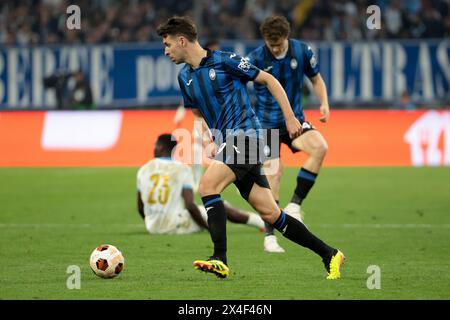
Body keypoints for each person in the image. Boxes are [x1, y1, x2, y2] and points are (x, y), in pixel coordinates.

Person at [156, 16, 344, 280]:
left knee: (207, 187)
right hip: (229, 144)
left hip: (249, 137)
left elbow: (269, 80)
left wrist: (290, 117)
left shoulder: (225, 61)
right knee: (271, 214)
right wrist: (208, 138)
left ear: (182, 40)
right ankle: (330, 254)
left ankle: (220, 258)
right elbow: (198, 115)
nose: (166, 51)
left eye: (168, 44)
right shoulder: (185, 77)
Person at [246, 16, 331, 253]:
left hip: (295, 122)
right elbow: (239, 87)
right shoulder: (255, 59)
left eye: (279, 44)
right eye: (270, 45)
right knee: (275, 172)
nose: (274, 49)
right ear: (264, 39)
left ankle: (294, 205)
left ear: (287, 37)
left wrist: (324, 103)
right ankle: (270, 237)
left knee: (320, 147)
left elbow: (316, 79)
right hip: (266, 126)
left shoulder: (302, 51)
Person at [137, 133, 265, 235]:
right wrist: (209, 227)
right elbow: (189, 205)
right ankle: (262, 223)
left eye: (155, 145)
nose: (154, 148)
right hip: (176, 224)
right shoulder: (181, 169)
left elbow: (140, 207)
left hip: (152, 226)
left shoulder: (143, 170)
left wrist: (152, 222)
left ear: (161, 146)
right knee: (219, 206)